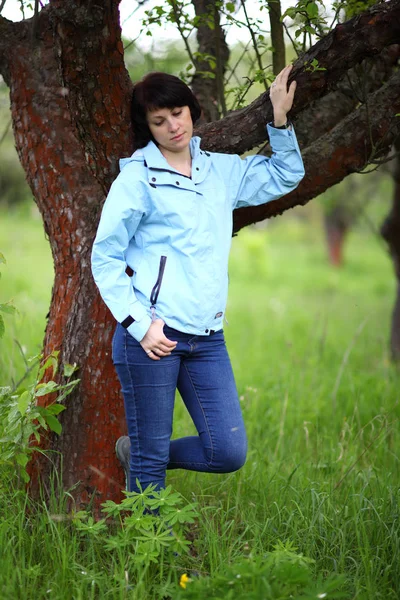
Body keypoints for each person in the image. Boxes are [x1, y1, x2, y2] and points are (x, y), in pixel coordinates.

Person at [91, 66, 304, 493]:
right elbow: (105, 256)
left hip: (207, 337)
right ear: (147, 127)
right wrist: (140, 323)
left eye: (178, 112)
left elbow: (285, 175)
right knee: (152, 466)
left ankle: (140, 455)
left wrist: (279, 121)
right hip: (154, 336)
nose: (173, 126)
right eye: (159, 120)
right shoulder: (137, 179)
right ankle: (150, 555)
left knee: (226, 452)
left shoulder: (220, 172)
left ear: (191, 110)